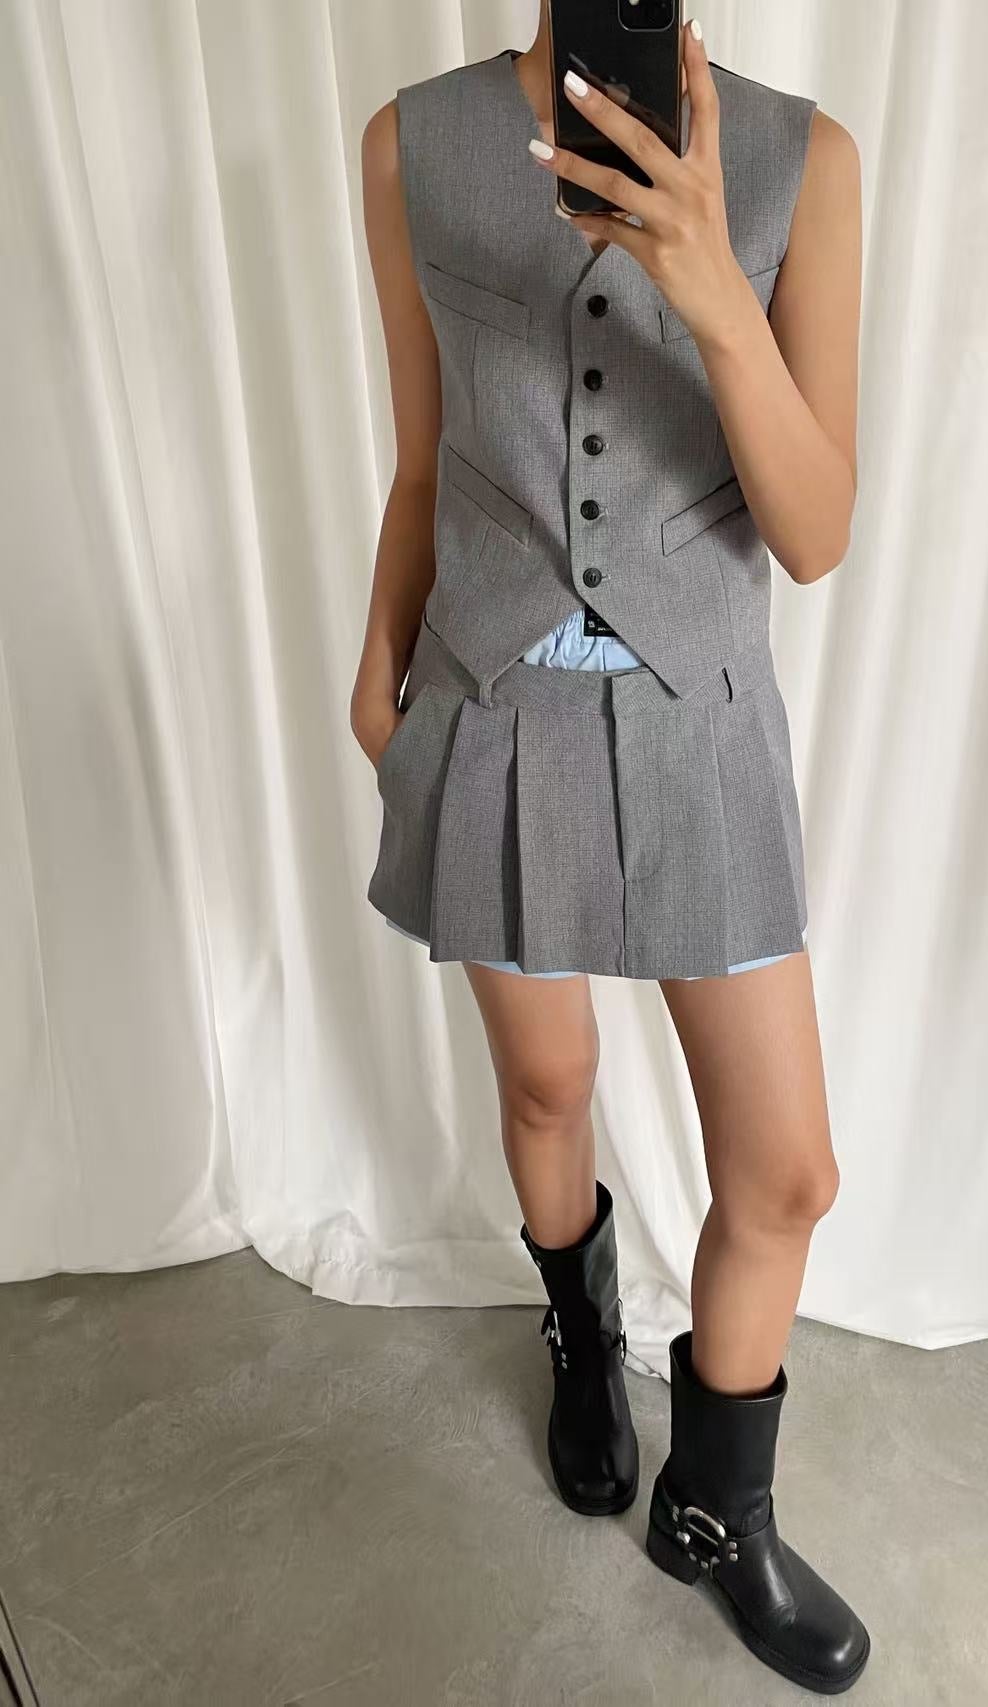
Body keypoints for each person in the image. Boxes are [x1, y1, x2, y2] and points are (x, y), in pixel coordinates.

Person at [351, 7, 865, 1693]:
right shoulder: (414, 145)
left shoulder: (805, 161)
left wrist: (711, 282)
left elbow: (814, 532)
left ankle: (716, 1511)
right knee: (549, 1084)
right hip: (494, 706)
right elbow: (422, 459)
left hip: (702, 719)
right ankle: (583, 1339)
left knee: (786, 1172)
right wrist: (380, 664)